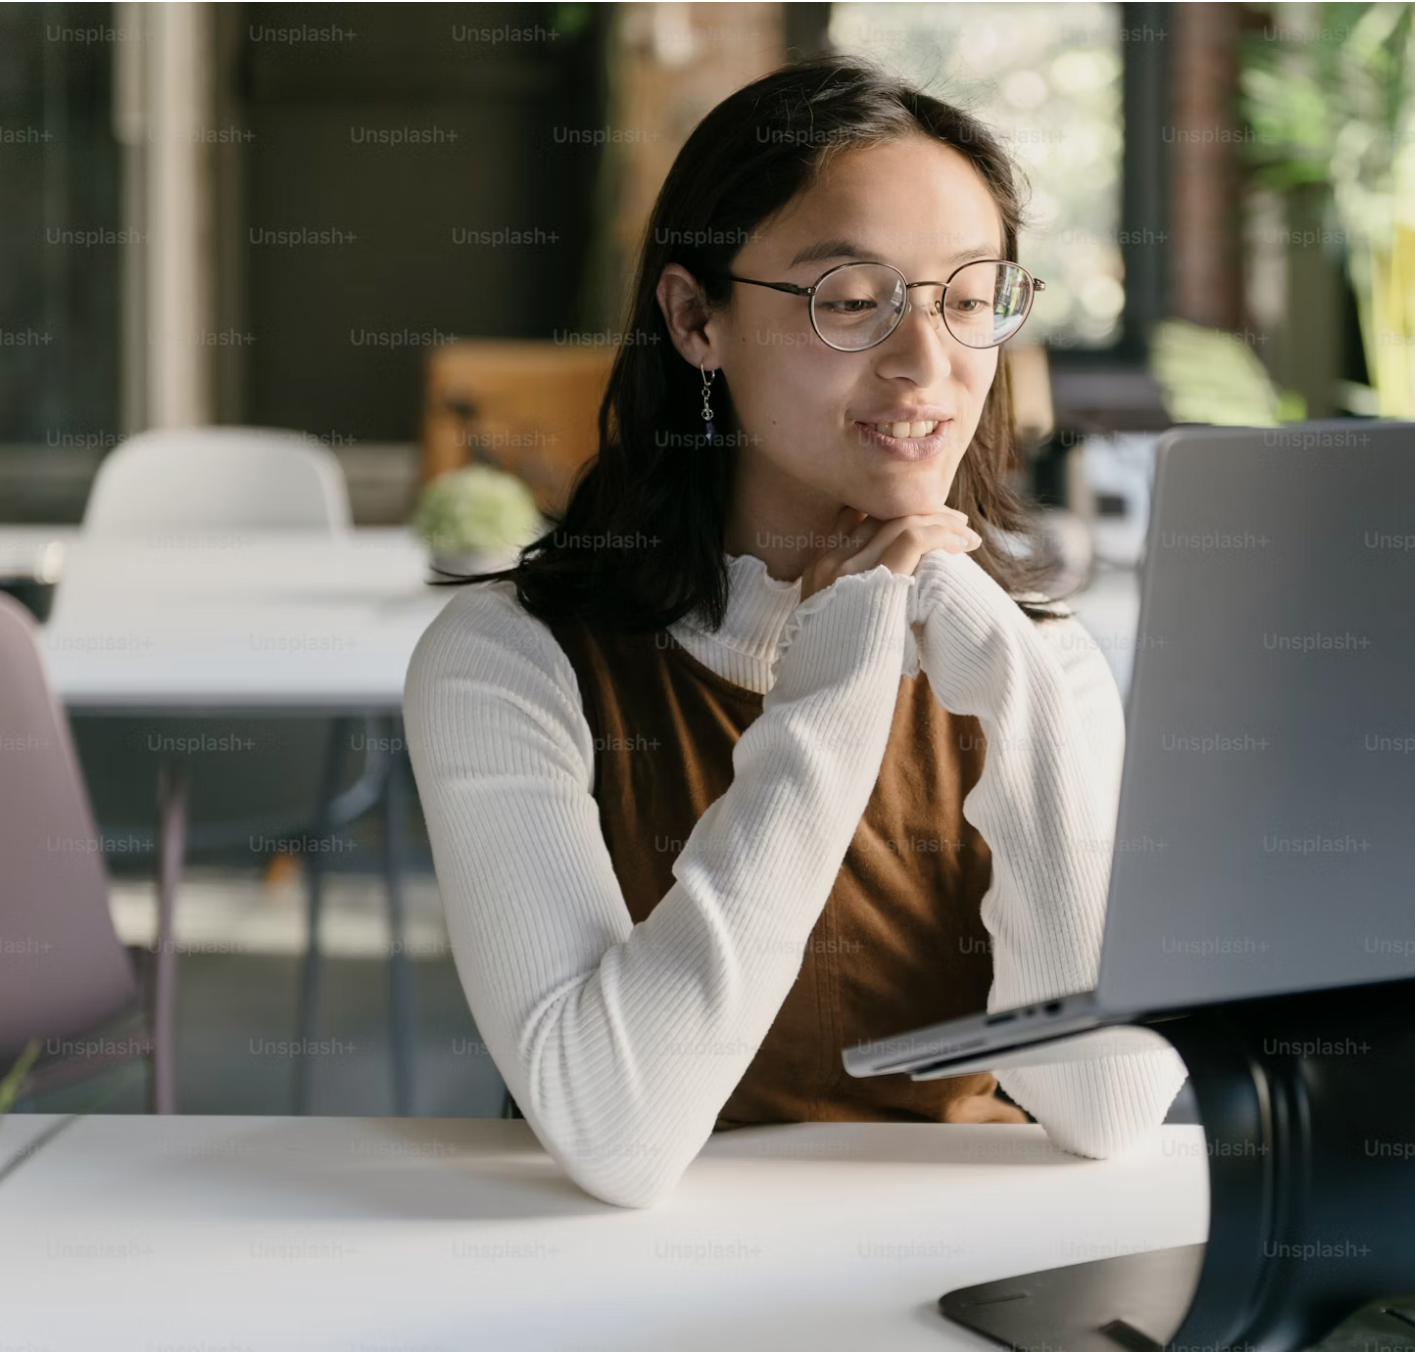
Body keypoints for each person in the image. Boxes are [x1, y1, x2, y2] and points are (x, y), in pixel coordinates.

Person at [403, 54, 1187, 1209]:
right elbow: (617, 1132)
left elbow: (1109, 1106)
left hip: (960, 1262)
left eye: (970, 298)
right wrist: (846, 655)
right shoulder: (510, 659)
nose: (930, 364)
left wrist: (1017, 693)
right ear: (693, 318)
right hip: (607, 1286)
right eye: (852, 299)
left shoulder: (1039, 655)